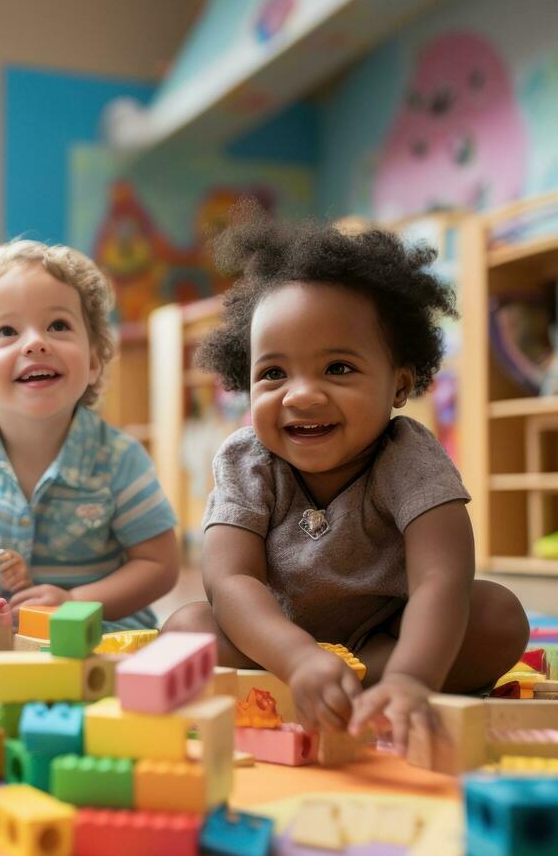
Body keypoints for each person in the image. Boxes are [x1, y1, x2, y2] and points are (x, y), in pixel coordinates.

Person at [163, 204, 528, 753]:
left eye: (338, 368)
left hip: (388, 639)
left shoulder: (409, 456)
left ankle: (381, 692)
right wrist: (296, 657)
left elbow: (440, 579)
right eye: (273, 373)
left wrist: (412, 675)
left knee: (499, 615)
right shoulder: (245, 459)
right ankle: (318, 689)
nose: (301, 394)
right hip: (270, 643)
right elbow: (231, 582)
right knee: (188, 630)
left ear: (399, 386)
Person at [0, 240, 179, 632]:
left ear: (94, 359)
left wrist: (75, 603)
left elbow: (159, 566)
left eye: (58, 325)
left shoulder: (118, 458)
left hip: (101, 632)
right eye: (6, 331)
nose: (35, 342)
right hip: (0, 636)